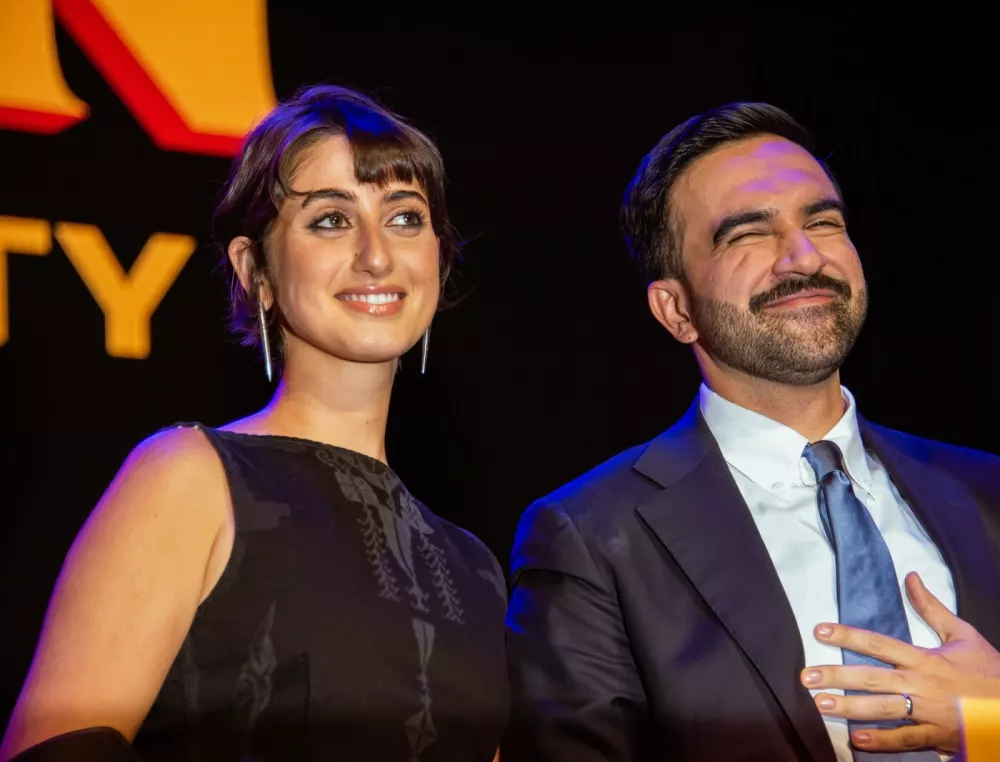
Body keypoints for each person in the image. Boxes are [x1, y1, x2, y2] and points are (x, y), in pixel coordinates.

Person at [1, 85, 509, 762]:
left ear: (438, 263)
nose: (376, 254)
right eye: (330, 219)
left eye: (405, 217)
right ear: (255, 269)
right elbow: (57, 749)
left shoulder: (473, 567)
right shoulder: (189, 478)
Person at [504, 102, 1000, 762]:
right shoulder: (592, 538)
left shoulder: (987, 492)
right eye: (747, 234)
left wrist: (992, 723)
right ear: (676, 309)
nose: (802, 256)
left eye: (823, 222)